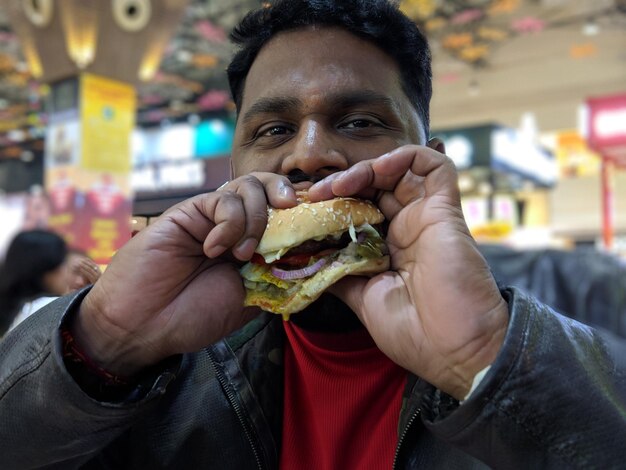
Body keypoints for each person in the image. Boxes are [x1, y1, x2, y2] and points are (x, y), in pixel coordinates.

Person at [1, 1, 624, 468]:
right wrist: (104, 342)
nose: (310, 155)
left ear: (428, 158)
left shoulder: (582, 294)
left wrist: (487, 361)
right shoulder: (163, 352)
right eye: (273, 130)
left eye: (358, 120)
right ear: (235, 172)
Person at [0, 230, 101, 336]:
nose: (80, 282)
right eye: (64, 265)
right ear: (46, 268)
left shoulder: (15, 308)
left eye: (87, 278)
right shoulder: (46, 309)